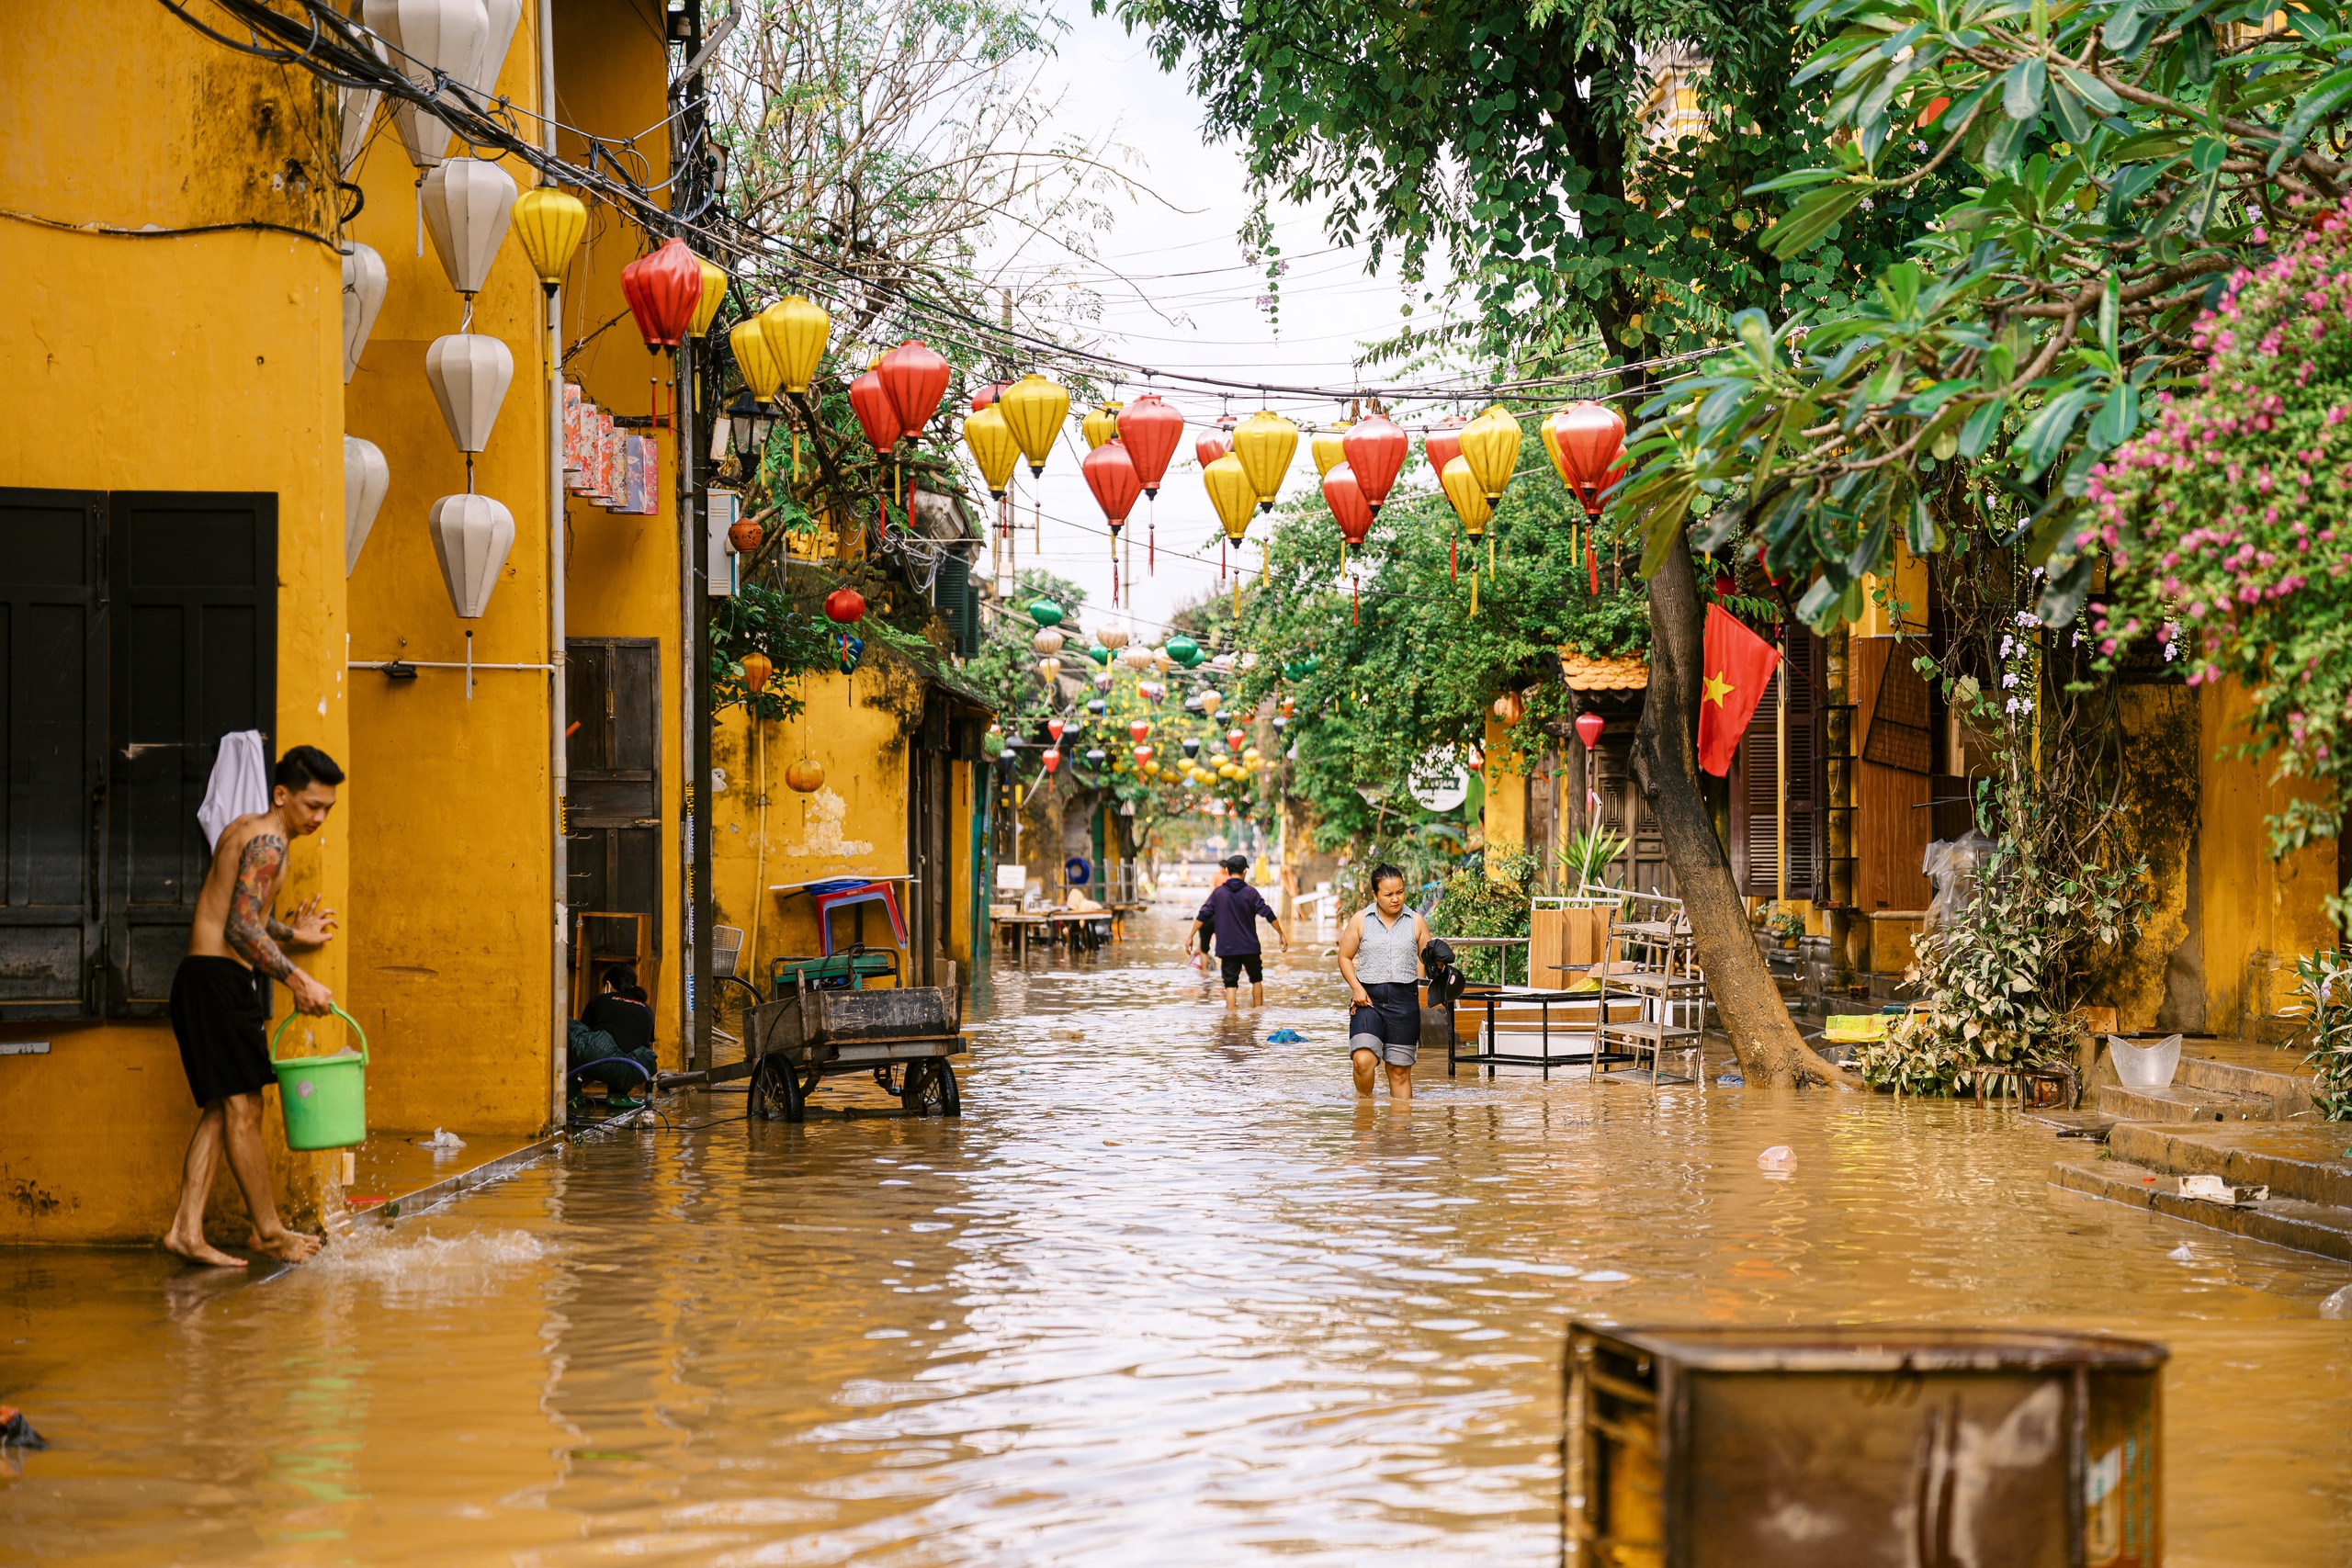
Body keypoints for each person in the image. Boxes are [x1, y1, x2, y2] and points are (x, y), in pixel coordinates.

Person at [162, 745, 343, 1268]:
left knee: (224, 1109)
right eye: (312, 805)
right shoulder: (270, 845)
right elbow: (240, 928)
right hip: (219, 985)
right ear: (282, 795)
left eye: (327, 808)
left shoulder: (246, 828)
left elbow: (243, 910)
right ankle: (267, 1231)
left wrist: (293, 932)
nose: (319, 817)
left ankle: (186, 1231)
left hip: (202, 981)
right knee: (246, 1109)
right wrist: (298, 980)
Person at [1336, 863, 1430, 1102]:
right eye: (1388, 894)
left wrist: (1438, 961)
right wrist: (1356, 988)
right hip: (1368, 1000)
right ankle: (1365, 1109)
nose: (1395, 899)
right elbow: (1344, 957)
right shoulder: (1361, 920)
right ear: (1375, 895)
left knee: (1398, 1072)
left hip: (1404, 1003)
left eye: (1400, 892)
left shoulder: (1416, 921)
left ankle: (1399, 1133)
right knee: (1363, 1060)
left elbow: (1427, 958)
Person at [1187, 853, 1286, 1009]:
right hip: (1250, 946)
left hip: (1227, 948)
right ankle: (1257, 1017)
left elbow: (1203, 914)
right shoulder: (1251, 893)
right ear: (1245, 871)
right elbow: (1268, 913)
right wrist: (1281, 934)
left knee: (1231, 985)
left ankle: (1232, 1022)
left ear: (1227, 870)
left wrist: (1191, 936)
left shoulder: (1218, 893)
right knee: (1256, 980)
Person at [570, 964, 660, 1110]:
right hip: (639, 1069)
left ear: (608, 985)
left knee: (567, 1026)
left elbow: (584, 1039)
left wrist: (587, 1070)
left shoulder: (601, 1000)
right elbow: (640, 1043)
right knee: (627, 1045)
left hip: (601, 1057)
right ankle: (618, 1095)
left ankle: (572, 1094)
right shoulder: (646, 1008)